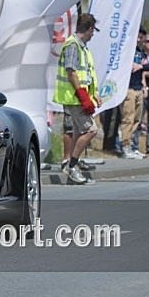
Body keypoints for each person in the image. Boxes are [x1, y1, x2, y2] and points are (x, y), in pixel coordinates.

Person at [52, 13, 101, 185]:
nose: (93, 34)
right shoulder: (73, 46)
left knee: (78, 132)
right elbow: (71, 72)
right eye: (93, 30)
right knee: (90, 130)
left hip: (77, 96)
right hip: (74, 98)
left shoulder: (80, 47)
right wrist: (83, 96)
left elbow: (84, 74)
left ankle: (71, 165)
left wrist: (93, 93)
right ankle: (72, 166)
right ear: (89, 29)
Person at [119, 28, 149, 159]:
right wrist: (133, 65)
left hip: (139, 88)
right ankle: (125, 145)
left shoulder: (141, 52)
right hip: (128, 88)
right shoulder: (126, 50)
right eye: (137, 36)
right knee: (128, 118)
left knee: (137, 119)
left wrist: (140, 66)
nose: (139, 39)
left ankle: (132, 144)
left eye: (141, 37)